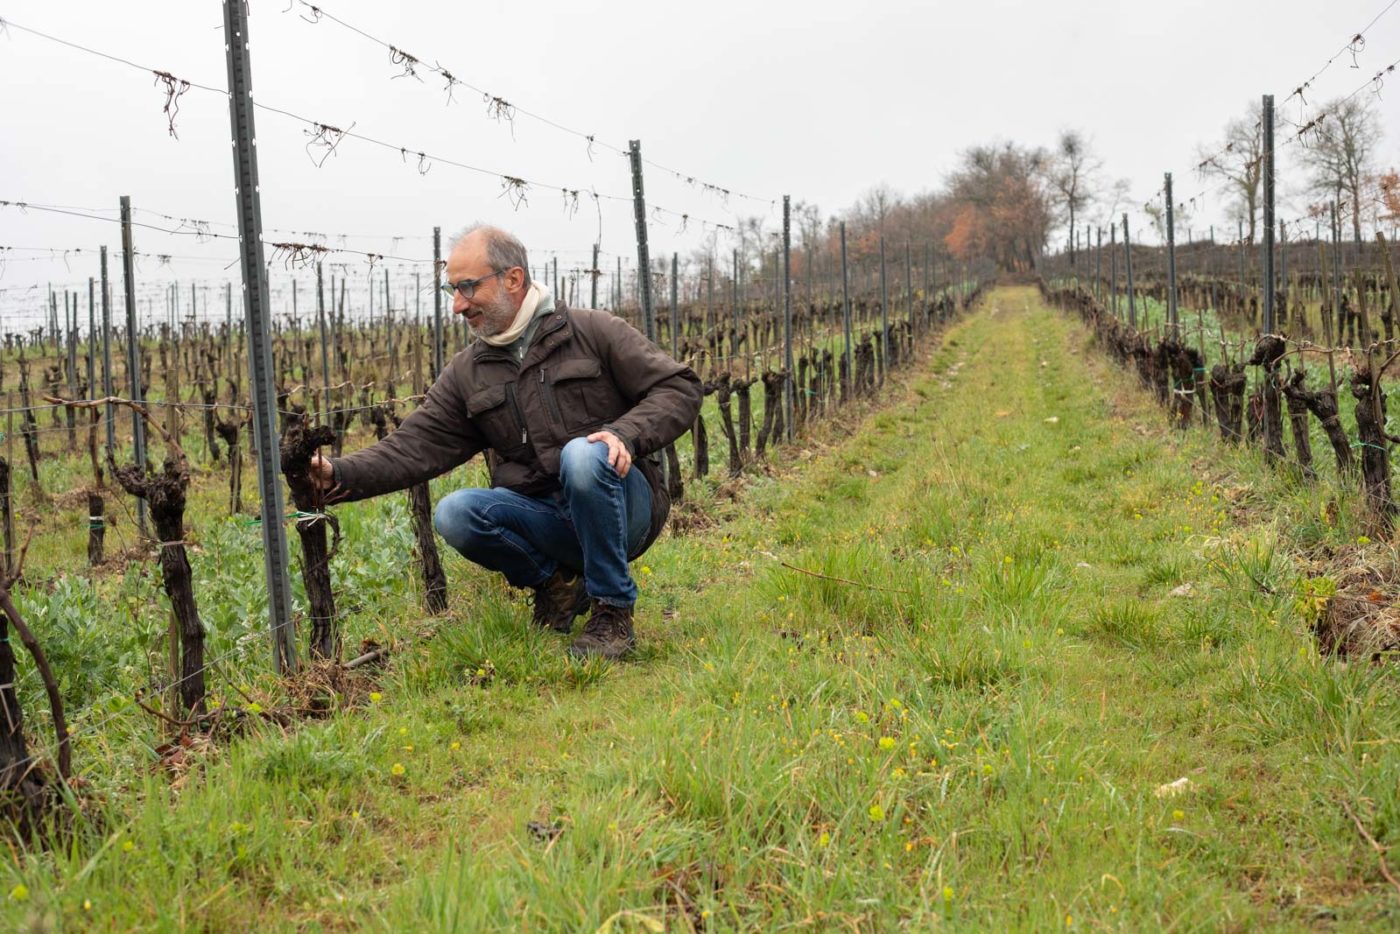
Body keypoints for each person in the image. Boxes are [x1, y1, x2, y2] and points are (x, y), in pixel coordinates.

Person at [310, 224, 701, 659]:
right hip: (545, 519)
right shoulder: (468, 372)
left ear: (512, 279)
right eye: (451, 290)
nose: (457, 305)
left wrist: (624, 433)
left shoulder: (593, 332)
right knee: (456, 513)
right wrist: (338, 474)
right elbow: (413, 445)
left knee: (582, 455)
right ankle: (559, 584)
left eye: (467, 287)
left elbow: (678, 387)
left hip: (623, 508)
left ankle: (612, 612)